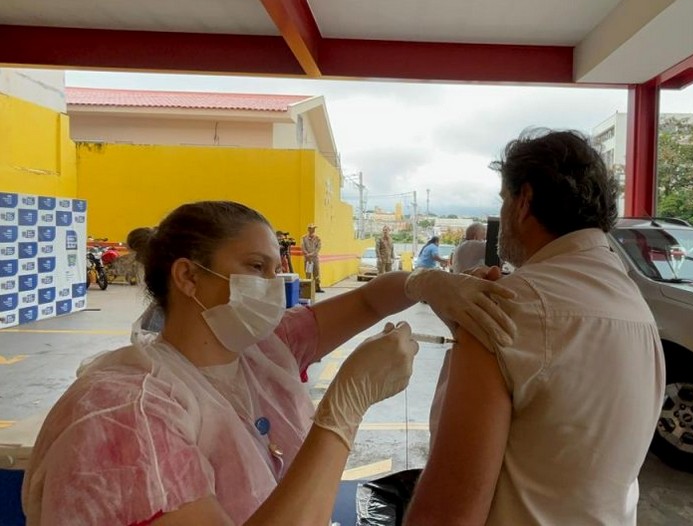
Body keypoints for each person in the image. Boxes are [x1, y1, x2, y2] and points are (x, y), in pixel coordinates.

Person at [22, 201, 517, 526]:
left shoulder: (264, 351)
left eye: (276, 268)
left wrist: (425, 284)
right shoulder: (128, 411)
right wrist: (345, 407)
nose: (274, 286)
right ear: (188, 277)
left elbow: (370, 301)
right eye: (255, 268)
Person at [406, 130, 666, 525]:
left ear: (523, 200)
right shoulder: (638, 309)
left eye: (503, 200)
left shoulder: (504, 306)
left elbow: (446, 515)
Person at [302, 223, 323, 293]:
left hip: (314, 258)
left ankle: (317, 287)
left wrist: (311, 254)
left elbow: (318, 248)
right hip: (307, 259)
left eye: (314, 228)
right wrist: (307, 254)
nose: (313, 230)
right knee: (308, 273)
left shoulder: (317, 238)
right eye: (311, 228)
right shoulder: (304, 238)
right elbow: (303, 247)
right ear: (308, 229)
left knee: (316, 273)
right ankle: (308, 288)